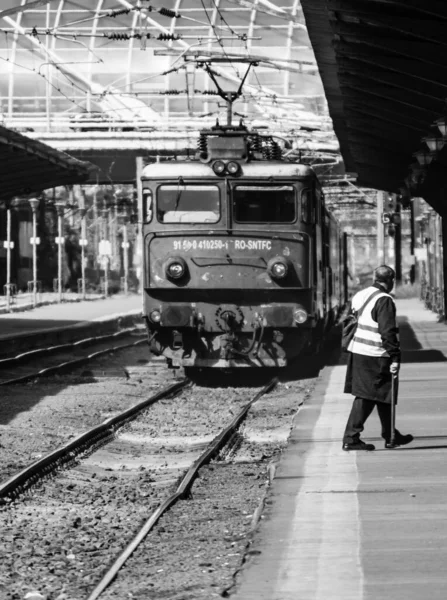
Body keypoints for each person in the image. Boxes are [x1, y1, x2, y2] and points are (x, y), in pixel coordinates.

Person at [342, 265, 414, 451]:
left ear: (375, 277)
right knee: (366, 396)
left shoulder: (360, 295)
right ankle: (351, 438)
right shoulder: (384, 300)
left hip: (358, 351)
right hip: (374, 353)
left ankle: (390, 435)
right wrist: (395, 356)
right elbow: (387, 332)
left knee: (384, 393)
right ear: (390, 280)